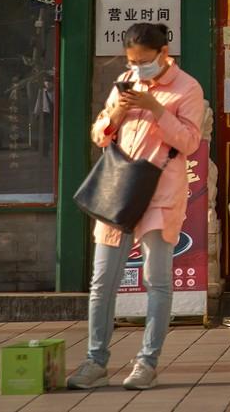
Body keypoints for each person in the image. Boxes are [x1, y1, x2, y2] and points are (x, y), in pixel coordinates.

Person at [68, 23, 204, 391]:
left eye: (144, 60)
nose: (138, 67)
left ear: (164, 52)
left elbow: (190, 142)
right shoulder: (125, 81)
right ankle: (95, 361)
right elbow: (100, 134)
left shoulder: (187, 87)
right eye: (132, 61)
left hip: (161, 194)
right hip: (117, 191)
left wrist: (156, 109)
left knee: (156, 281)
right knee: (101, 282)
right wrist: (115, 116)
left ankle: (147, 363)